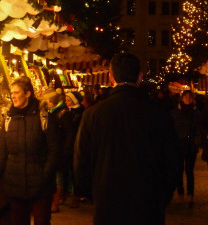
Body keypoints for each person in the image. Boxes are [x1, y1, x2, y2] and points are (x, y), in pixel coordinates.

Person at [74, 52, 179, 225]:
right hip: (148, 203)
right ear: (139, 77)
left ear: (110, 77)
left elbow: (81, 163)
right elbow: (172, 162)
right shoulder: (158, 114)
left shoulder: (93, 114)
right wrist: (161, 197)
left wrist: (95, 195)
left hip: (108, 202)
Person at [0, 76, 59, 225]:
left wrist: (44, 175)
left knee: (42, 221)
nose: (13, 96)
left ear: (28, 94)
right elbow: (1, 154)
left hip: (41, 186)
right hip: (16, 185)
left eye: (16, 92)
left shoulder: (44, 117)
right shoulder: (9, 119)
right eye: (11, 93)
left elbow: (54, 151)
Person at [42, 87, 74, 212]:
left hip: (60, 149)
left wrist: (66, 149)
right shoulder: (57, 111)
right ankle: (61, 198)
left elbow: (69, 133)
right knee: (58, 175)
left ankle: (55, 203)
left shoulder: (62, 113)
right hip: (58, 148)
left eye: (47, 102)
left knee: (58, 176)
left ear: (51, 101)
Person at [171, 90, 201, 206]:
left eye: (190, 97)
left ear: (193, 99)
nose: (187, 99)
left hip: (191, 145)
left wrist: (196, 142)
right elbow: (171, 128)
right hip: (178, 145)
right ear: (182, 98)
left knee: (189, 170)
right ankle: (180, 193)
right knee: (178, 170)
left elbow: (199, 128)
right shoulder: (175, 112)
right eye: (185, 97)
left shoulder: (196, 112)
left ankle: (190, 194)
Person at [64, 91, 85, 208]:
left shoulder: (79, 112)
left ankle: (78, 194)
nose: (66, 102)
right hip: (71, 144)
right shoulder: (70, 112)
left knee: (76, 169)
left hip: (76, 144)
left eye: (68, 100)